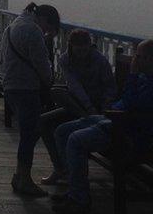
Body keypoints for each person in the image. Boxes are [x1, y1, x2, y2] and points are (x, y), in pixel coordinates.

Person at [52, 39, 153, 214]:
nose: (135, 60)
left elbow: (134, 106)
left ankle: (79, 199)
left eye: (139, 56)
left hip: (130, 133)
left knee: (76, 139)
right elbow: (127, 101)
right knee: (62, 131)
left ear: (152, 60)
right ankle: (74, 188)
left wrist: (132, 77)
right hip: (118, 122)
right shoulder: (148, 76)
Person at [39, 29, 116, 185]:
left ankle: (67, 171)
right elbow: (75, 86)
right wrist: (87, 109)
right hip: (80, 107)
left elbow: (110, 87)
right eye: (78, 49)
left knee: (59, 128)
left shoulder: (100, 61)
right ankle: (59, 168)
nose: (82, 53)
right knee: (42, 121)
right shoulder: (65, 60)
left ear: (90, 46)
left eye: (85, 49)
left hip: (99, 108)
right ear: (71, 47)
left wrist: (102, 110)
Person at [1, 2, 60, 197]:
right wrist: (49, 80)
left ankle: (20, 175)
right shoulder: (33, 31)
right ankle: (24, 178)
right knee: (30, 133)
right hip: (26, 87)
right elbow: (42, 65)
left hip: (10, 84)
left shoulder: (14, 25)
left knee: (31, 131)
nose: (46, 32)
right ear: (44, 20)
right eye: (48, 28)